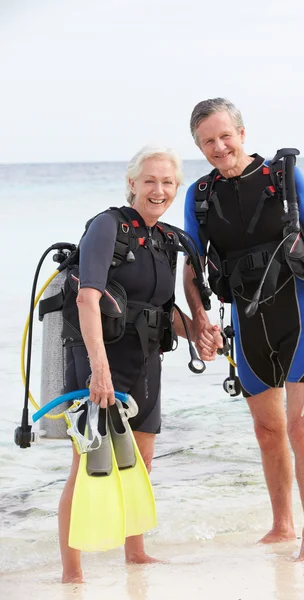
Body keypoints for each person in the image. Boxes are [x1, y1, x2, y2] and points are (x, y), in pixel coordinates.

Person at [183, 98, 304, 561]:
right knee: (267, 429)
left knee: (302, 427)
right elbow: (191, 265)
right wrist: (200, 316)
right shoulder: (199, 196)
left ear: (242, 133)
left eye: (225, 135)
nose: (219, 147)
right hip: (247, 325)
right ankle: (282, 525)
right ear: (199, 147)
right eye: (208, 141)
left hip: (299, 315)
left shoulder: (283, 177)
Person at [59, 146, 195, 583]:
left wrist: (199, 332)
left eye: (168, 182)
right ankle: (71, 571)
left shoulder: (166, 239)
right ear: (132, 183)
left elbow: (160, 307)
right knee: (89, 466)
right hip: (101, 360)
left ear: (176, 188)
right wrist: (97, 368)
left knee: (143, 461)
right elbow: (87, 297)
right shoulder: (107, 226)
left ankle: (135, 553)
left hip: (146, 362)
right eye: (150, 181)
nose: (159, 190)